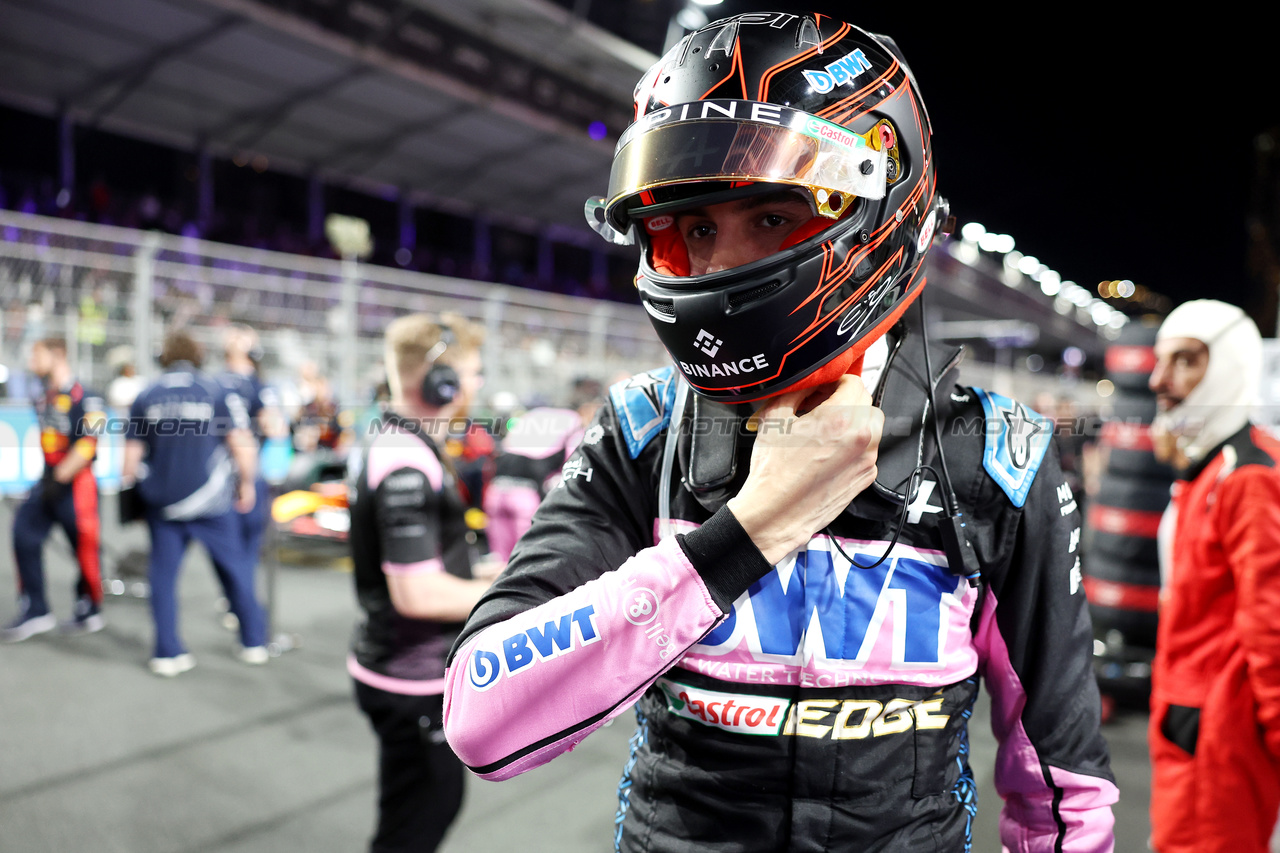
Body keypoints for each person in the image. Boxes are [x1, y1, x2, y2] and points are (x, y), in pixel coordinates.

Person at [441, 13, 1117, 852]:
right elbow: (478, 712)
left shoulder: (998, 456)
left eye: (770, 217)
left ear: (878, 205)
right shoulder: (644, 431)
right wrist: (745, 534)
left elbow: (1062, 789)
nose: (718, 267)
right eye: (694, 230)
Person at [347, 312, 494, 853]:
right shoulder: (405, 462)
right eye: (471, 372)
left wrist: (489, 571)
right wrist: (518, 597)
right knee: (418, 822)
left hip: (399, 668)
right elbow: (418, 594)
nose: (476, 385)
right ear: (441, 383)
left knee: (413, 812)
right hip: (410, 679)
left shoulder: (395, 439)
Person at [1146, 299, 1280, 853]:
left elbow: (1272, 626)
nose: (1160, 379)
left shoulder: (1247, 477)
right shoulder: (1211, 469)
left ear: (1227, 364)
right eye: (1160, 360)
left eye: (1185, 360)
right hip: (1190, 726)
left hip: (1218, 740)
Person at [120, 329, 268, 676]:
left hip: (164, 505)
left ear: (163, 357)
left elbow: (129, 464)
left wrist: (136, 502)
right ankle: (253, 641)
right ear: (198, 357)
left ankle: (167, 652)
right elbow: (241, 442)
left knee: (163, 578)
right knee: (236, 571)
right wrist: (247, 483)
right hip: (212, 503)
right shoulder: (215, 389)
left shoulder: (146, 394)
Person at [2, 337, 107, 641]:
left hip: (77, 484)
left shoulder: (91, 397)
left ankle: (90, 606)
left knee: (85, 547)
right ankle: (36, 609)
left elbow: (90, 443)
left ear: (58, 355)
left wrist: (62, 475)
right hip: (48, 481)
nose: (31, 362)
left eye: (37, 354)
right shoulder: (43, 398)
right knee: (23, 533)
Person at [214, 325, 285, 605]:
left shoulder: (259, 385)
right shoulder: (218, 381)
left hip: (246, 473)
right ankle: (237, 598)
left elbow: (276, 427)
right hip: (222, 474)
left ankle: (240, 600)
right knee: (227, 544)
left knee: (245, 544)